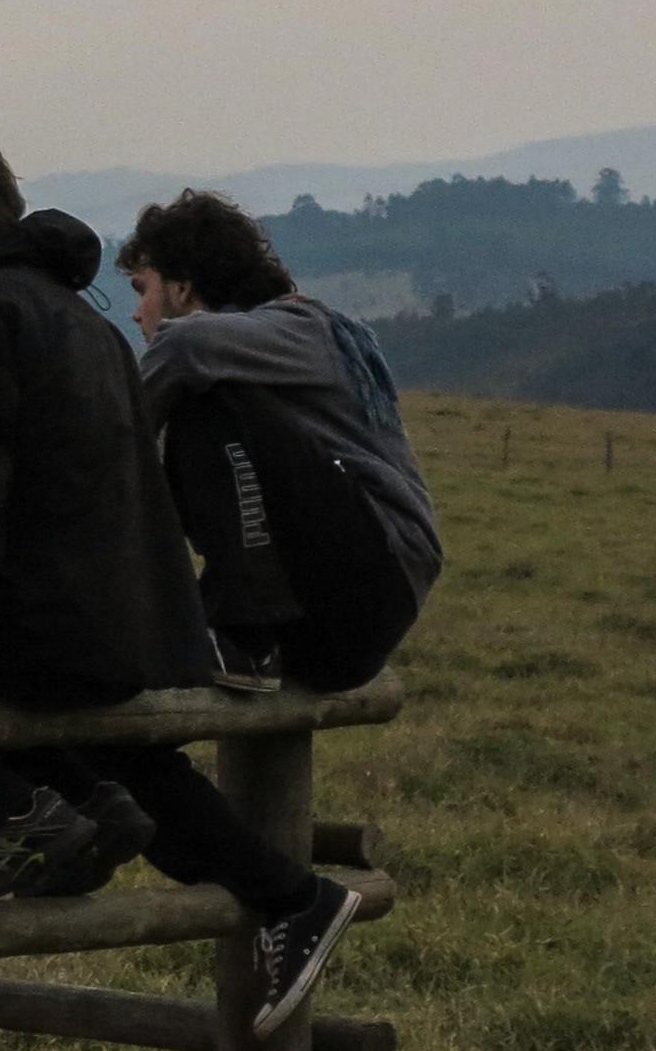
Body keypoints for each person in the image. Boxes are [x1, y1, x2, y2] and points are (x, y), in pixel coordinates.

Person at [0, 135, 358, 1035]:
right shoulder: (81, 317)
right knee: (130, 763)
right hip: (112, 626)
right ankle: (288, 894)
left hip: (30, 620)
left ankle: (5, 827)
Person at [117, 189, 440, 692]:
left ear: (181, 287)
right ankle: (231, 634)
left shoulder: (299, 328)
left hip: (367, 587)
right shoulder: (281, 341)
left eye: (143, 288)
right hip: (340, 609)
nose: (137, 313)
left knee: (206, 407)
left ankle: (244, 637)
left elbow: (172, 363)